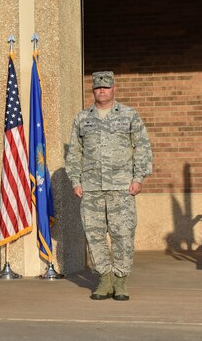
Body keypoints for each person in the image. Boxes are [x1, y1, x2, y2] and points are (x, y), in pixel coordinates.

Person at [65, 71, 152, 301]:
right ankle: (104, 279)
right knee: (94, 235)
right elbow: (74, 152)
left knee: (123, 233)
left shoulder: (129, 115)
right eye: (97, 88)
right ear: (92, 90)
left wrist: (138, 178)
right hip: (91, 187)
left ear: (114, 89)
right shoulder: (82, 118)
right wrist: (75, 180)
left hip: (121, 187)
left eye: (106, 87)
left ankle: (121, 280)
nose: (102, 91)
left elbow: (142, 146)